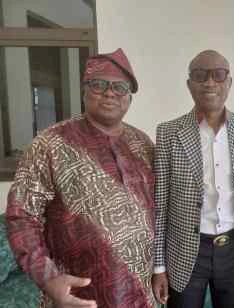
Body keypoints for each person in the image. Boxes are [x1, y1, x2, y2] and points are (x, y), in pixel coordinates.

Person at [6, 48, 156, 308]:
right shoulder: (50, 143)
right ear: (84, 91)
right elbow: (22, 217)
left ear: (129, 99)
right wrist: (48, 278)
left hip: (140, 293)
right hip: (79, 295)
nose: (110, 93)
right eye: (99, 85)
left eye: (120, 87)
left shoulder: (142, 144)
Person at [152, 49, 234, 308]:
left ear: (229, 82)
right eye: (200, 75)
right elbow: (159, 203)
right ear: (190, 84)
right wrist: (158, 266)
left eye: (219, 75)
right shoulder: (168, 133)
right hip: (186, 248)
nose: (210, 82)